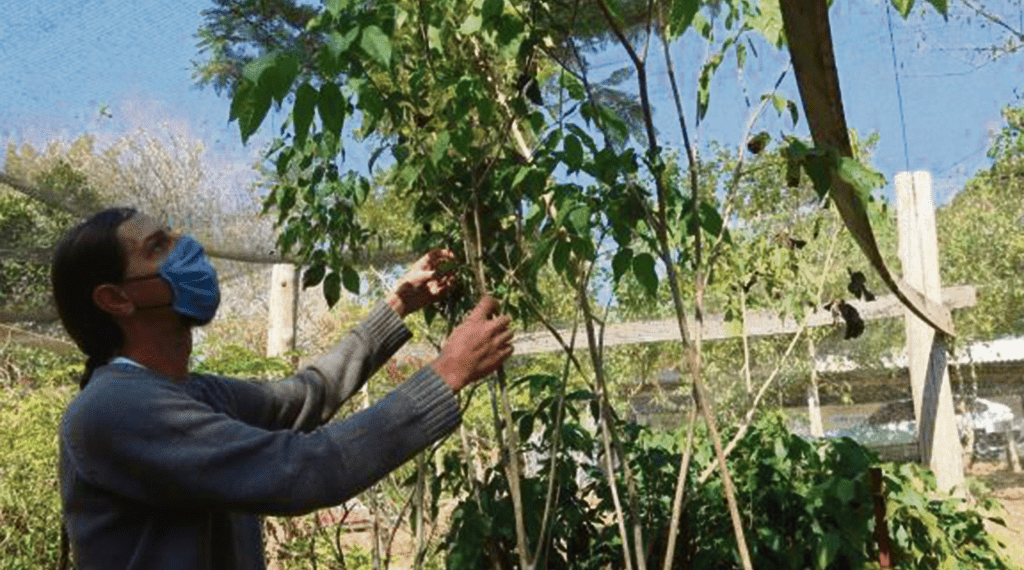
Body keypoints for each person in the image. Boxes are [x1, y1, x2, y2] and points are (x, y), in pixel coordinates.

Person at [52, 207, 513, 570]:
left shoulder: (194, 393)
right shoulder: (114, 408)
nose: (184, 248)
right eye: (158, 246)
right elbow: (304, 468)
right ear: (115, 298)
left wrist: (397, 306)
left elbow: (304, 396)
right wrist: (447, 373)